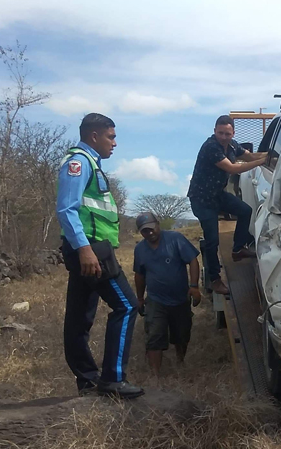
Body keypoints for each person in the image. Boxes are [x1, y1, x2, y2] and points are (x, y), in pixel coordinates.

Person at [56, 113, 144, 399]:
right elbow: (66, 209)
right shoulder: (78, 163)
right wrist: (84, 250)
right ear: (94, 135)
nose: (115, 143)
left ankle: (87, 379)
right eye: (111, 136)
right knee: (128, 306)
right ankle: (113, 380)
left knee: (80, 317)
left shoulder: (91, 163)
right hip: (92, 249)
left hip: (91, 248)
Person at [187, 115, 267, 295]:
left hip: (217, 194)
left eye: (227, 133)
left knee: (245, 211)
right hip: (202, 198)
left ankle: (238, 249)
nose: (224, 137)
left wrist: (271, 156)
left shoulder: (233, 145)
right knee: (212, 240)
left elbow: (250, 156)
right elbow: (232, 168)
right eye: (220, 133)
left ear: (233, 133)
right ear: (215, 131)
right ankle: (214, 279)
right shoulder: (211, 147)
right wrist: (262, 162)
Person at [132, 212, 201, 379]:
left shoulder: (175, 239)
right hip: (156, 300)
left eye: (151, 229)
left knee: (182, 334)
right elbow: (139, 275)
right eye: (144, 231)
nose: (149, 233)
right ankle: (155, 376)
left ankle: (180, 361)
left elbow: (192, 260)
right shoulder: (140, 249)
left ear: (158, 224)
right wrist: (140, 298)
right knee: (154, 336)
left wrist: (194, 286)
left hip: (180, 298)